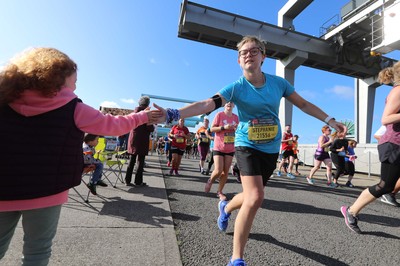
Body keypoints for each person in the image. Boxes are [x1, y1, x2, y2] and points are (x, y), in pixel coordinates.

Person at [153, 35, 346, 266]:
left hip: (271, 147)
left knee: (250, 195)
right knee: (256, 197)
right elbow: (207, 103)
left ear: (263, 56)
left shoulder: (279, 83)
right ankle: (236, 258)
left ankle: (225, 207)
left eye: (254, 51)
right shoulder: (235, 88)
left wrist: (330, 120)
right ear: (238, 60)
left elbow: (303, 104)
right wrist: (174, 113)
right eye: (243, 52)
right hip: (246, 144)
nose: (248, 55)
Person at [0, 47, 163, 265]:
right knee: (36, 252)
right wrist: (143, 116)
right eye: (74, 80)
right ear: (57, 78)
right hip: (47, 190)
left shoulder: (4, 99)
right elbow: (113, 125)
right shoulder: (72, 107)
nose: (76, 85)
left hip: (4, 189)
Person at [341, 61, 400, 234]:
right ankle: (351, 211)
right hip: (393, 144)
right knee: (385, 185)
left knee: (388, 185)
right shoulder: (398, 91)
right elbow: (386, 119)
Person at [205, 102, 239, 200]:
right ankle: (210, 180)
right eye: (227, 102)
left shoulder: (236, 117)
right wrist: (224, 127)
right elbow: (212, 129)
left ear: (234, 105)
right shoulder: (219, 115)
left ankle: (219, 192)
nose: (229, 103)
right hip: (219, 146)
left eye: (232, 102)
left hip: (230, 147)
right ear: (224, 105)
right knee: (218, 170)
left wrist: (236, 129)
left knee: (225, 172)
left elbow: (238, 130)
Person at [125, 96, 155, 187]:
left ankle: (127, 180)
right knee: (140, 161)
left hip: (133, 139)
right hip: (142, 140)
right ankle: (138, 181)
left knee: (131, 160)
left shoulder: (134, 112)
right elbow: (150, 128)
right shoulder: (147, 113)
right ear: (148, 104)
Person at [374, 126, 400, 207]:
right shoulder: (393, 122)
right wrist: (389, 140)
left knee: (385, 186)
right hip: (393, 150)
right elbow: (377, 135)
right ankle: (351, 210)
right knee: (385, 186)